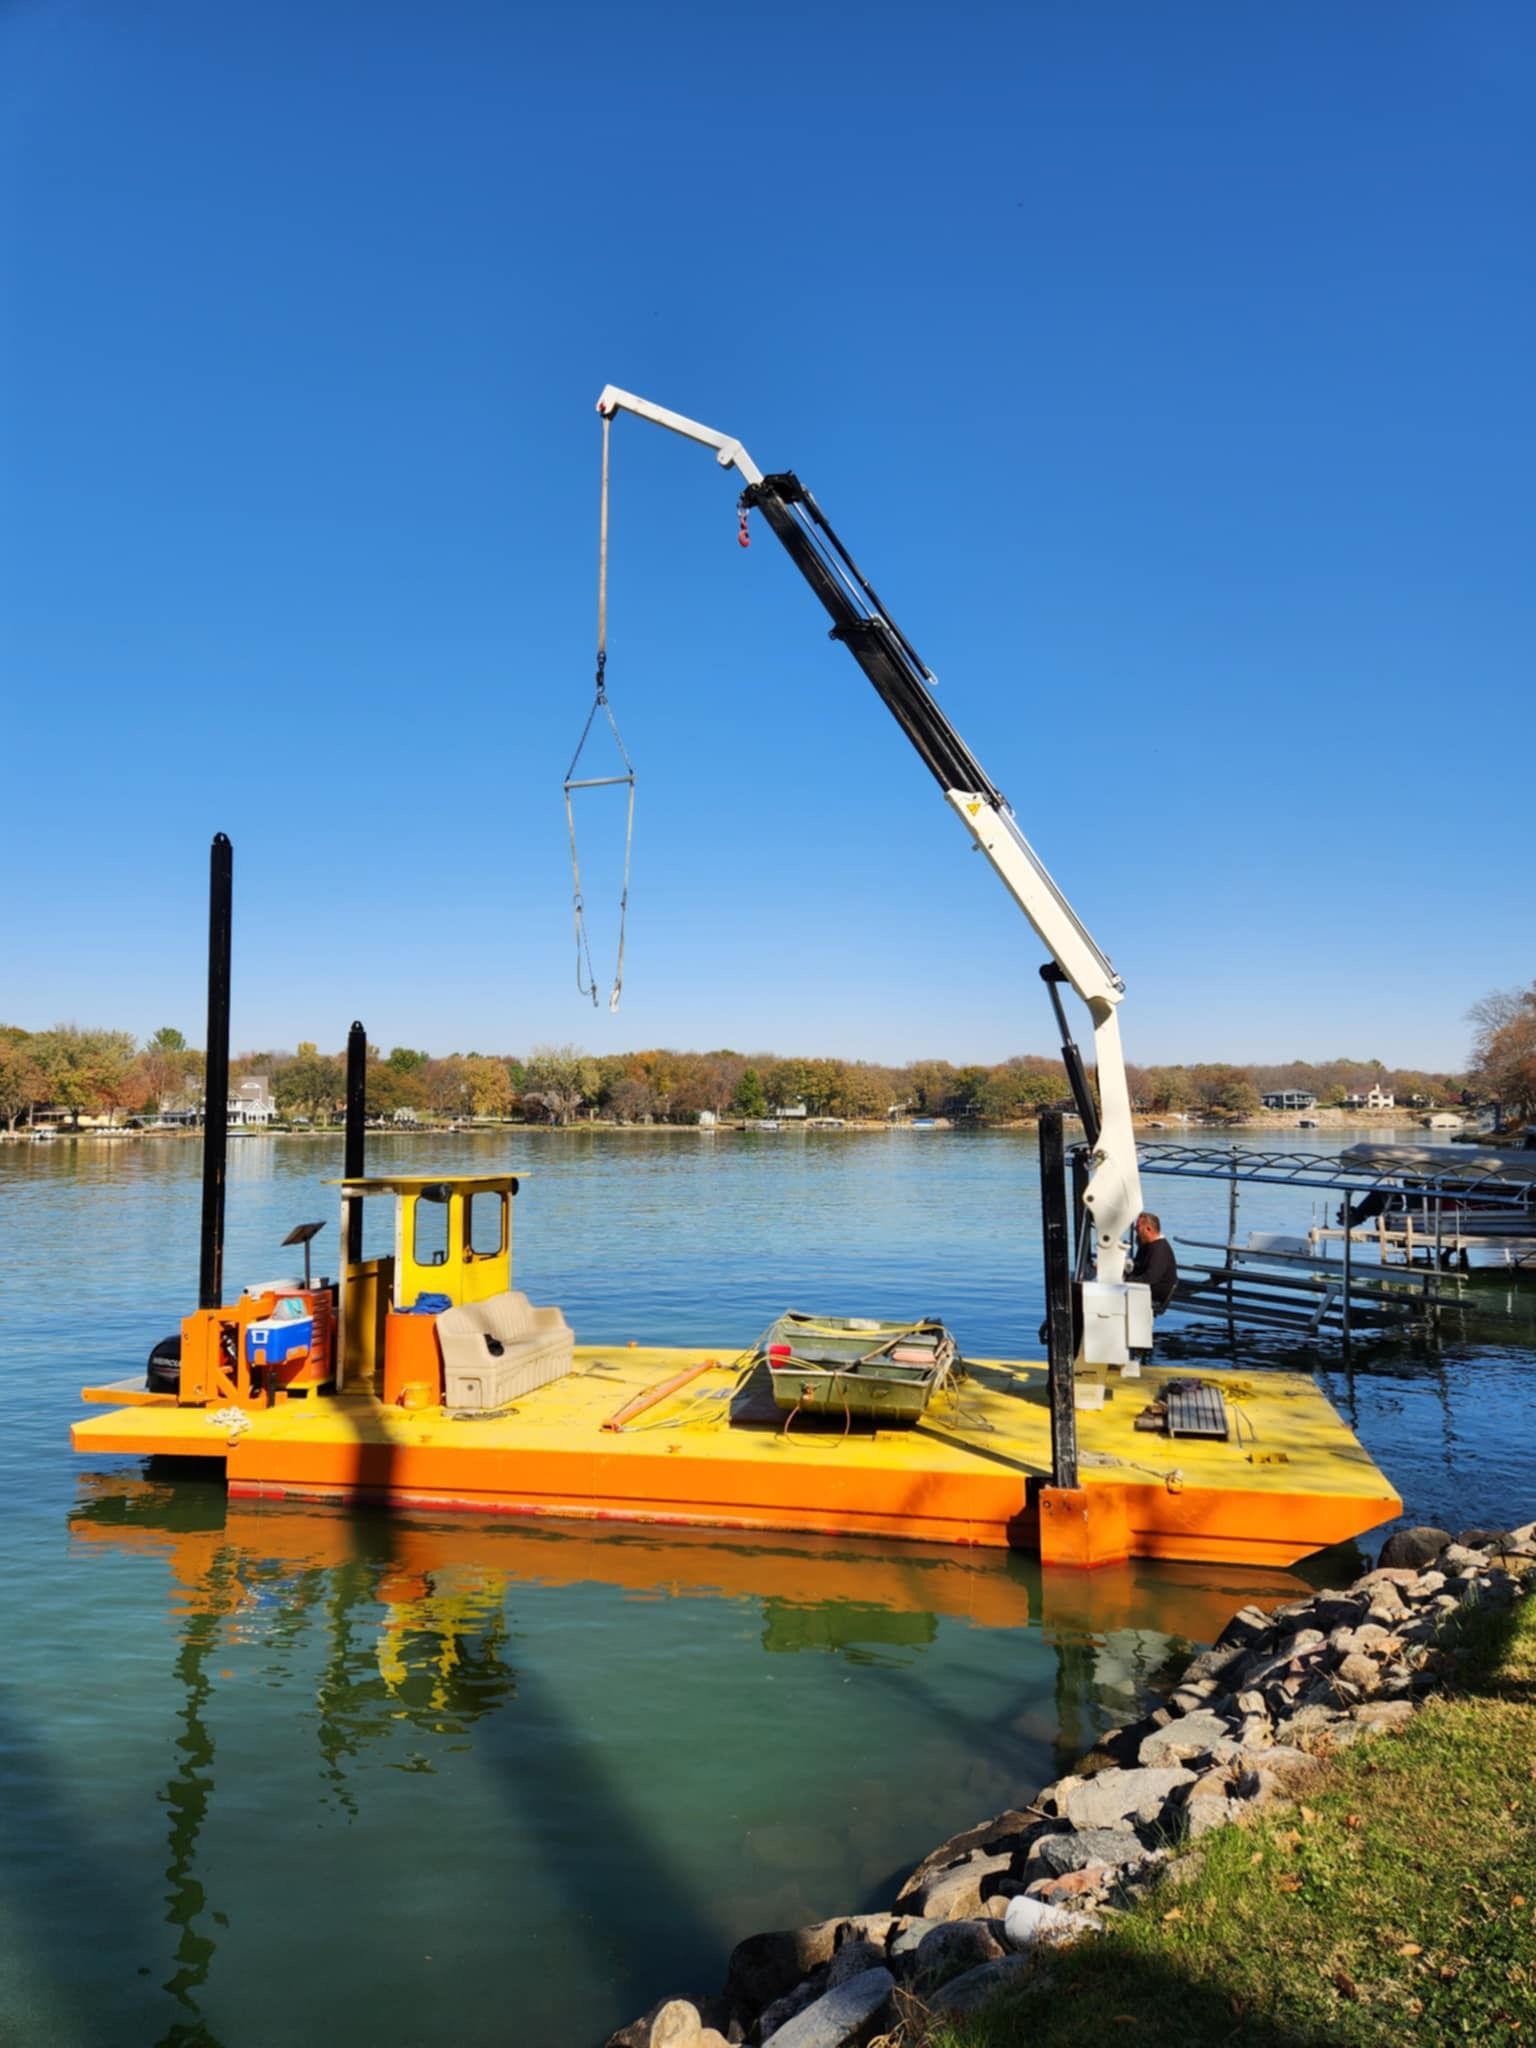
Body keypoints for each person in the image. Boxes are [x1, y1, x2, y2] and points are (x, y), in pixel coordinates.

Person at [1129, 1210, 1178, 1313]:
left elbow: (1151, 1277)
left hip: (1155, 1296)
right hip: (1145, 1290)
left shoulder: (1160, 1249)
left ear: (1148, 1229)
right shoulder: (1147, 1245)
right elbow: (1137, 1265)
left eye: (1137, 1228)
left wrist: (1126, 1281)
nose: (1135, 1231)